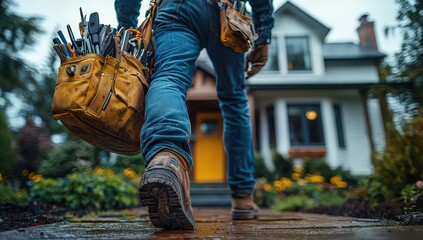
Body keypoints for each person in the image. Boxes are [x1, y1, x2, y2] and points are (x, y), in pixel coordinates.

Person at [115, 0, 274, 230]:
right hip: (226, 11)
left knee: (169, 78)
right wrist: (264, 33)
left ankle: (166, 160)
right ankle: (243, 199)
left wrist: (127, 28)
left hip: (175, 9)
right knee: (234, 100)